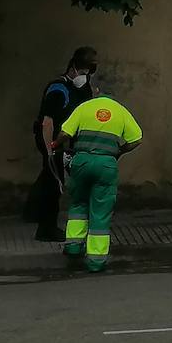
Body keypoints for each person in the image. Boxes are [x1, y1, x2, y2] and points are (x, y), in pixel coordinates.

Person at [58, 92, 142, 273]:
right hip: (106, 164)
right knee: (101, 211)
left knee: (78, 202)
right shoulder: (120, 111)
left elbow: (65, 132)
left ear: (97, 96)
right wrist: (119, 151)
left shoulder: (84, 107)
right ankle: (96, 261)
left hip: (82, 161)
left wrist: (55, 144)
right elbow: (136, 139)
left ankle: (73, 246)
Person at [25, 47, 98, 241]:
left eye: (89, 72)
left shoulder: (80, 89)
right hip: (50, 139)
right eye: (83, 71)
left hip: (62, 140)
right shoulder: (58, 88)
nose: (85, 75)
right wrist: (50, 149)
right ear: (73, 67)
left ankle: (31, 212)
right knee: (53, 182)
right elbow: (47, 121)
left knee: (48, 176)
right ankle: (46, 229)